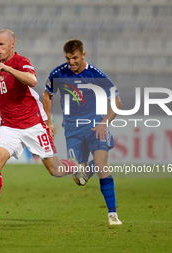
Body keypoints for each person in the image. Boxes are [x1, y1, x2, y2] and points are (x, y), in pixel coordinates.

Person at [0, 29, 86, 222]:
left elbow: (32, 80)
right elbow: (9, 91)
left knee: (54, 171)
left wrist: (9, 69)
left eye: (1, 44)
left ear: (12, 44)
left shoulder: (20, 62)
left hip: (33, 124)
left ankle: (74, 165)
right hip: (9, 126)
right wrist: (2, 105)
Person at [42, 39, 123, 225]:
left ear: (83, 55)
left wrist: (105, 122)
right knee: (80, 180)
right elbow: (47, 94)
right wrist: (48, 121)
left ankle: (112, 214)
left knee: (103, 166)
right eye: (68, 58)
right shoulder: (59, 73)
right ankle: (89, 166)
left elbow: (117, 102)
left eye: (75, 58)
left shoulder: (95, 74)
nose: (72, 63)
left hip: (95, 125)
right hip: (72, 130)